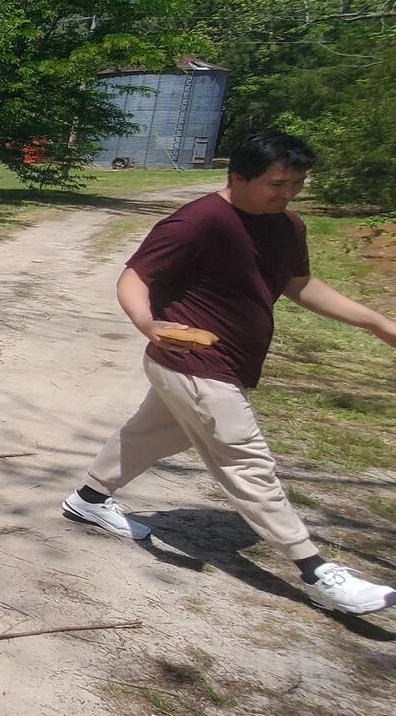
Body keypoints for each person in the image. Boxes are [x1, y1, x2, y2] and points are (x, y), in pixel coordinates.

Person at [62, 130, 396, 614]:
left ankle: (89, 499)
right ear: (237, 177)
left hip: (231, 362)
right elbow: (135, 276)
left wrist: (376, 322)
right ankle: (317, 572)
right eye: (277, 184)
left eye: (296, 184)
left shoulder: (288, 226)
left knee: (154, 433)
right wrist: (147, 322)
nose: (287, 193)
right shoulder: (198, 221)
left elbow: (298, 284)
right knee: (245, 460)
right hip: (191, 360)